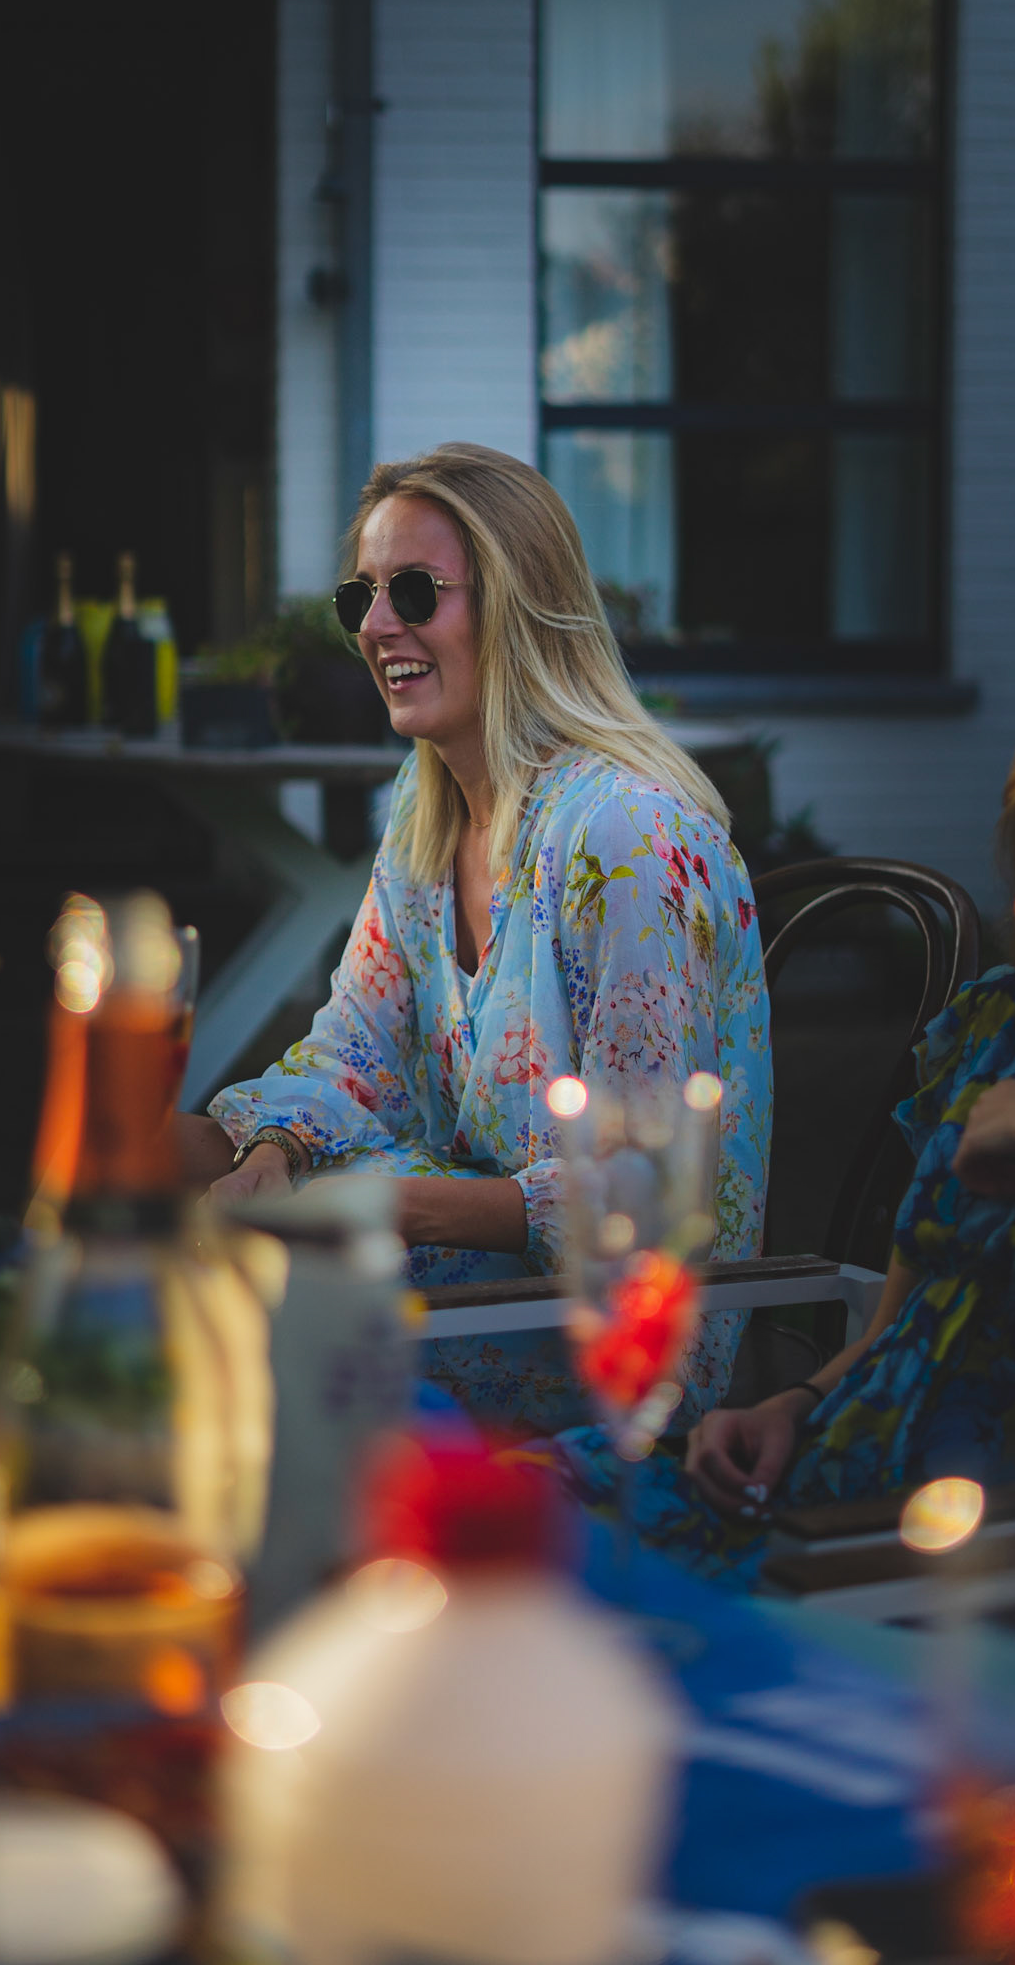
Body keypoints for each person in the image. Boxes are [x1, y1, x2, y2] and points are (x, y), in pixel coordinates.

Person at [552, 582, 1015, 1579]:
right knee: (464, 1512)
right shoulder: (1002, 1021)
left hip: (936, 1575)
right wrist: (793, 1405)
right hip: (816, 1487)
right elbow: (911, 1311)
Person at [175, 444, 770, 1433]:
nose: (376, 626)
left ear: (520, 605)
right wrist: (274, 1149)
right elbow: (355, 1051)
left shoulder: (623, 836)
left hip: (608, 1344)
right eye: (360, 596)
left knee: (215, 1304)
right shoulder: (429, 805)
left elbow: (643, 1202)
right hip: (468, 1274)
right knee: (152, 1164)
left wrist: (389, 1204)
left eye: (414, 590)